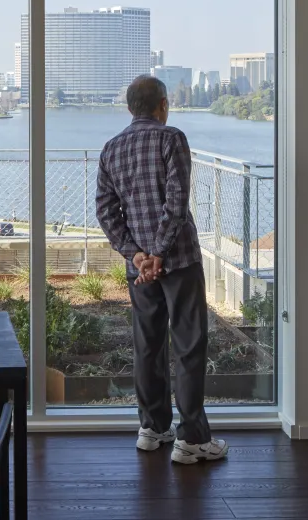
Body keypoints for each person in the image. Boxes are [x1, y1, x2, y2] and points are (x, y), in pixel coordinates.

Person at [96, 74, 228, 464]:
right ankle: (192, 439)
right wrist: (158, 253)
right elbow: (177, 201)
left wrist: (135, 254)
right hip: (179, 259)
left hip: (139, 269)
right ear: (163, 105)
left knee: (148, 345)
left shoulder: (111, 149)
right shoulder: (172, 139)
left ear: (129, 108)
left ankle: (152, 428)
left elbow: (106, 212)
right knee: (188, 345)